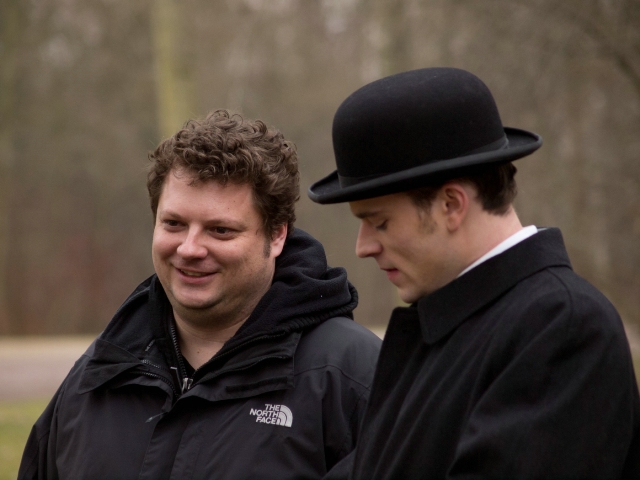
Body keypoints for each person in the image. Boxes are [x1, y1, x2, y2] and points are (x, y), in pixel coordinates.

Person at [309, 67, 640, 479]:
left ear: (451, 204)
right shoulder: (450, 325)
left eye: (380, 222)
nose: (363, 247)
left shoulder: (561, 328)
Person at [19, 110, 381, 480]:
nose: (190, 248)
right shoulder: (97, 376)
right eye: (174, 224)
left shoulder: (353, 378)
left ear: (276, 235)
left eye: (220, 230)